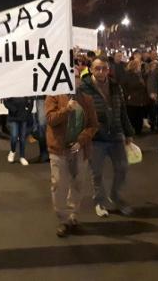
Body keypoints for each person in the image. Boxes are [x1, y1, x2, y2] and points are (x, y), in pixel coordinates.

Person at [79, 56, 135, 217]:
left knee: (122, 167)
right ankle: (99, 202)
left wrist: (128, 132)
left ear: (108, 69)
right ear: (91, 70)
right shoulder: (84, 88)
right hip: (96, 137)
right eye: (97, 68)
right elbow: (80, 114)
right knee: (96, 173)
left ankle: (116, 196)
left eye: (104, 68)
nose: (101, 71)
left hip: (116, 133)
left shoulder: (115, 86)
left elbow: (122, 110)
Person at [45, 69, 98, 237]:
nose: (73, 80)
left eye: (76, 77)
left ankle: (73, 215)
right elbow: (50, 120)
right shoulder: (54, 96)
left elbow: (93, 125)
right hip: (59, 149)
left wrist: (81, 141)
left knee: (78, 183)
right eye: (69, 76)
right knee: (59, 184)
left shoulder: (87, 99)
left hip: (79, 150)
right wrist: (66, 110)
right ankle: (62, 219)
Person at [122, 59, 150, 135]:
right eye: (139, 65)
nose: (140, 67)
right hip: (132, 99)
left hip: (141, 99)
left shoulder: (141, 75)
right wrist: (127, 96)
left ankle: (138, 130)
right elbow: (125, 86)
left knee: (139, 115)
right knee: (132, 115)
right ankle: (132, 130)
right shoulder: (128, 75)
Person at [4, 96, 34, 165]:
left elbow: (31, 100)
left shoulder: (26, 90)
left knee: (22, 138)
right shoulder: (11, 89)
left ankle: (22, 156)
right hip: (13, 117)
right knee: (14, 136)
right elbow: (5, 101)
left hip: (24, 117)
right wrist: (13, 109)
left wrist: (28, 112)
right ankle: (12, 151)